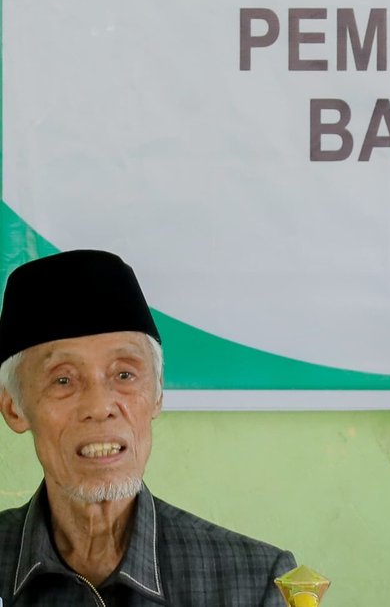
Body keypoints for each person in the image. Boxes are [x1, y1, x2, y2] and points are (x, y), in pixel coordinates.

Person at [0, 249, 297, 606]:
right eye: (63, 380)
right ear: (13, 408)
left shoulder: (255, 582)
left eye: (124, 374)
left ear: (157, 394)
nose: (100, 407)